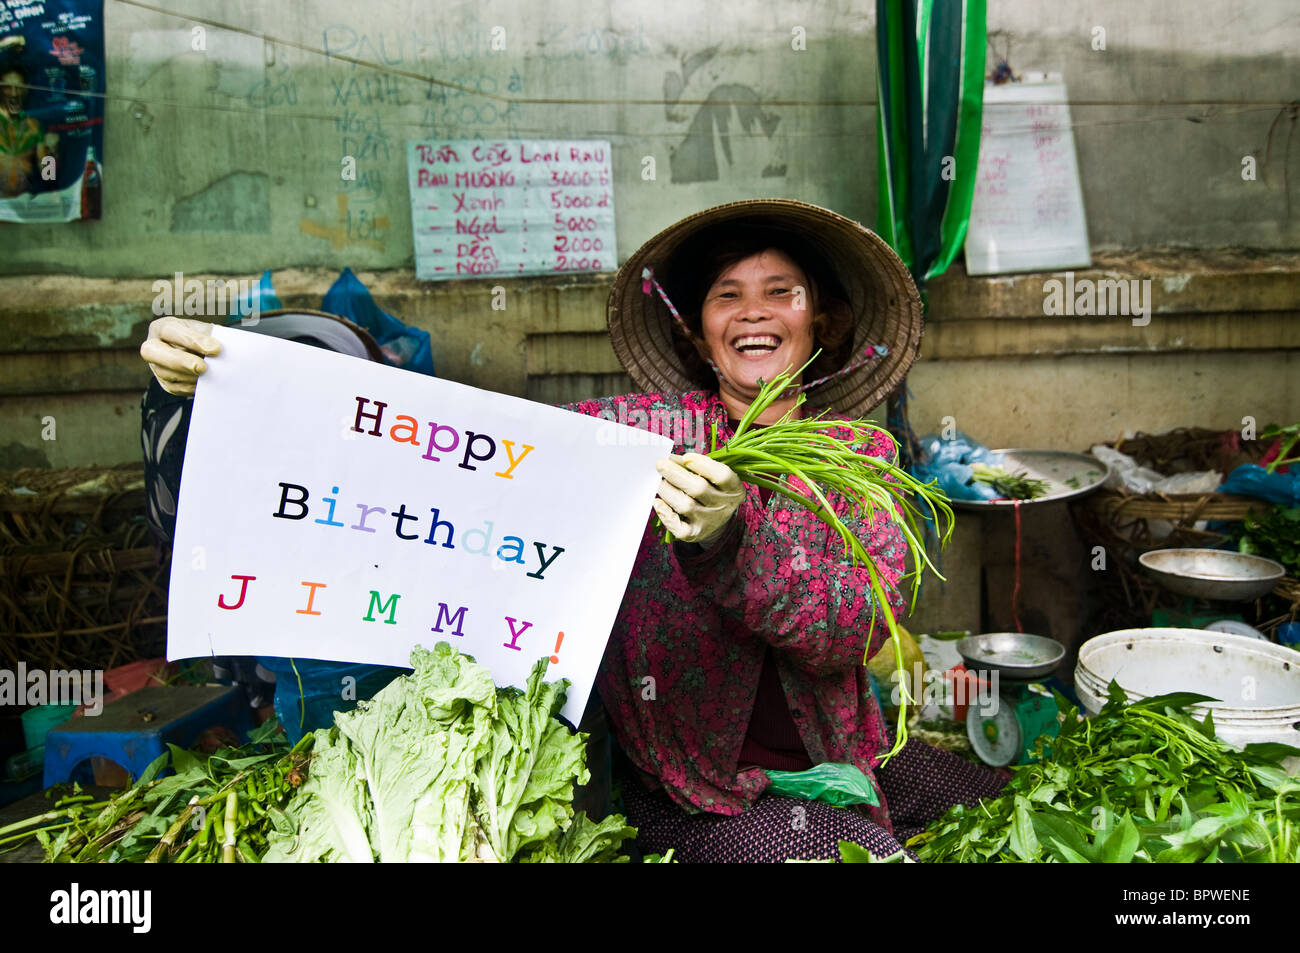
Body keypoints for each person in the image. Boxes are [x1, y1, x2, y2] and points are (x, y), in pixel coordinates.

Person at [140, 200, 1007, 861]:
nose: (755, 311)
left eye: (782, 292)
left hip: (836, 750)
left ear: (821, 321)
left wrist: (733, 536)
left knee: (995, 792)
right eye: (727, 294)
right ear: (699, 332)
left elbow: (847, 628)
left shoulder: (862, 459)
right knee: (860, 856)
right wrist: (238, 384)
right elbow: (451, 454)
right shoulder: (628, 440)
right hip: (697, 789)